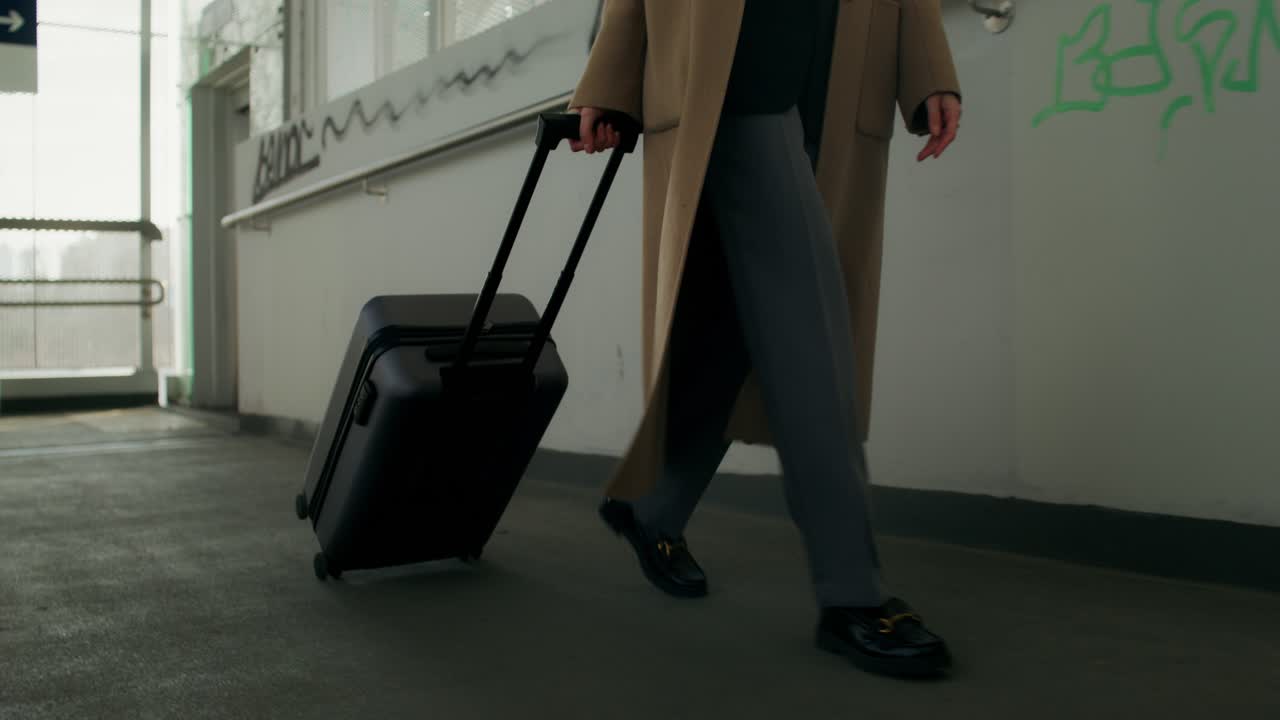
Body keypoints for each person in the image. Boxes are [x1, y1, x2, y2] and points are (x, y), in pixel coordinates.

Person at [567, 0, 962, 679]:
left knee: (740, 328)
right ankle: (852, 595)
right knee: (812, 335)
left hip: (838, 81)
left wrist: (929, 70)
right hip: (731, 79)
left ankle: (652, 506)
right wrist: (607, 79)